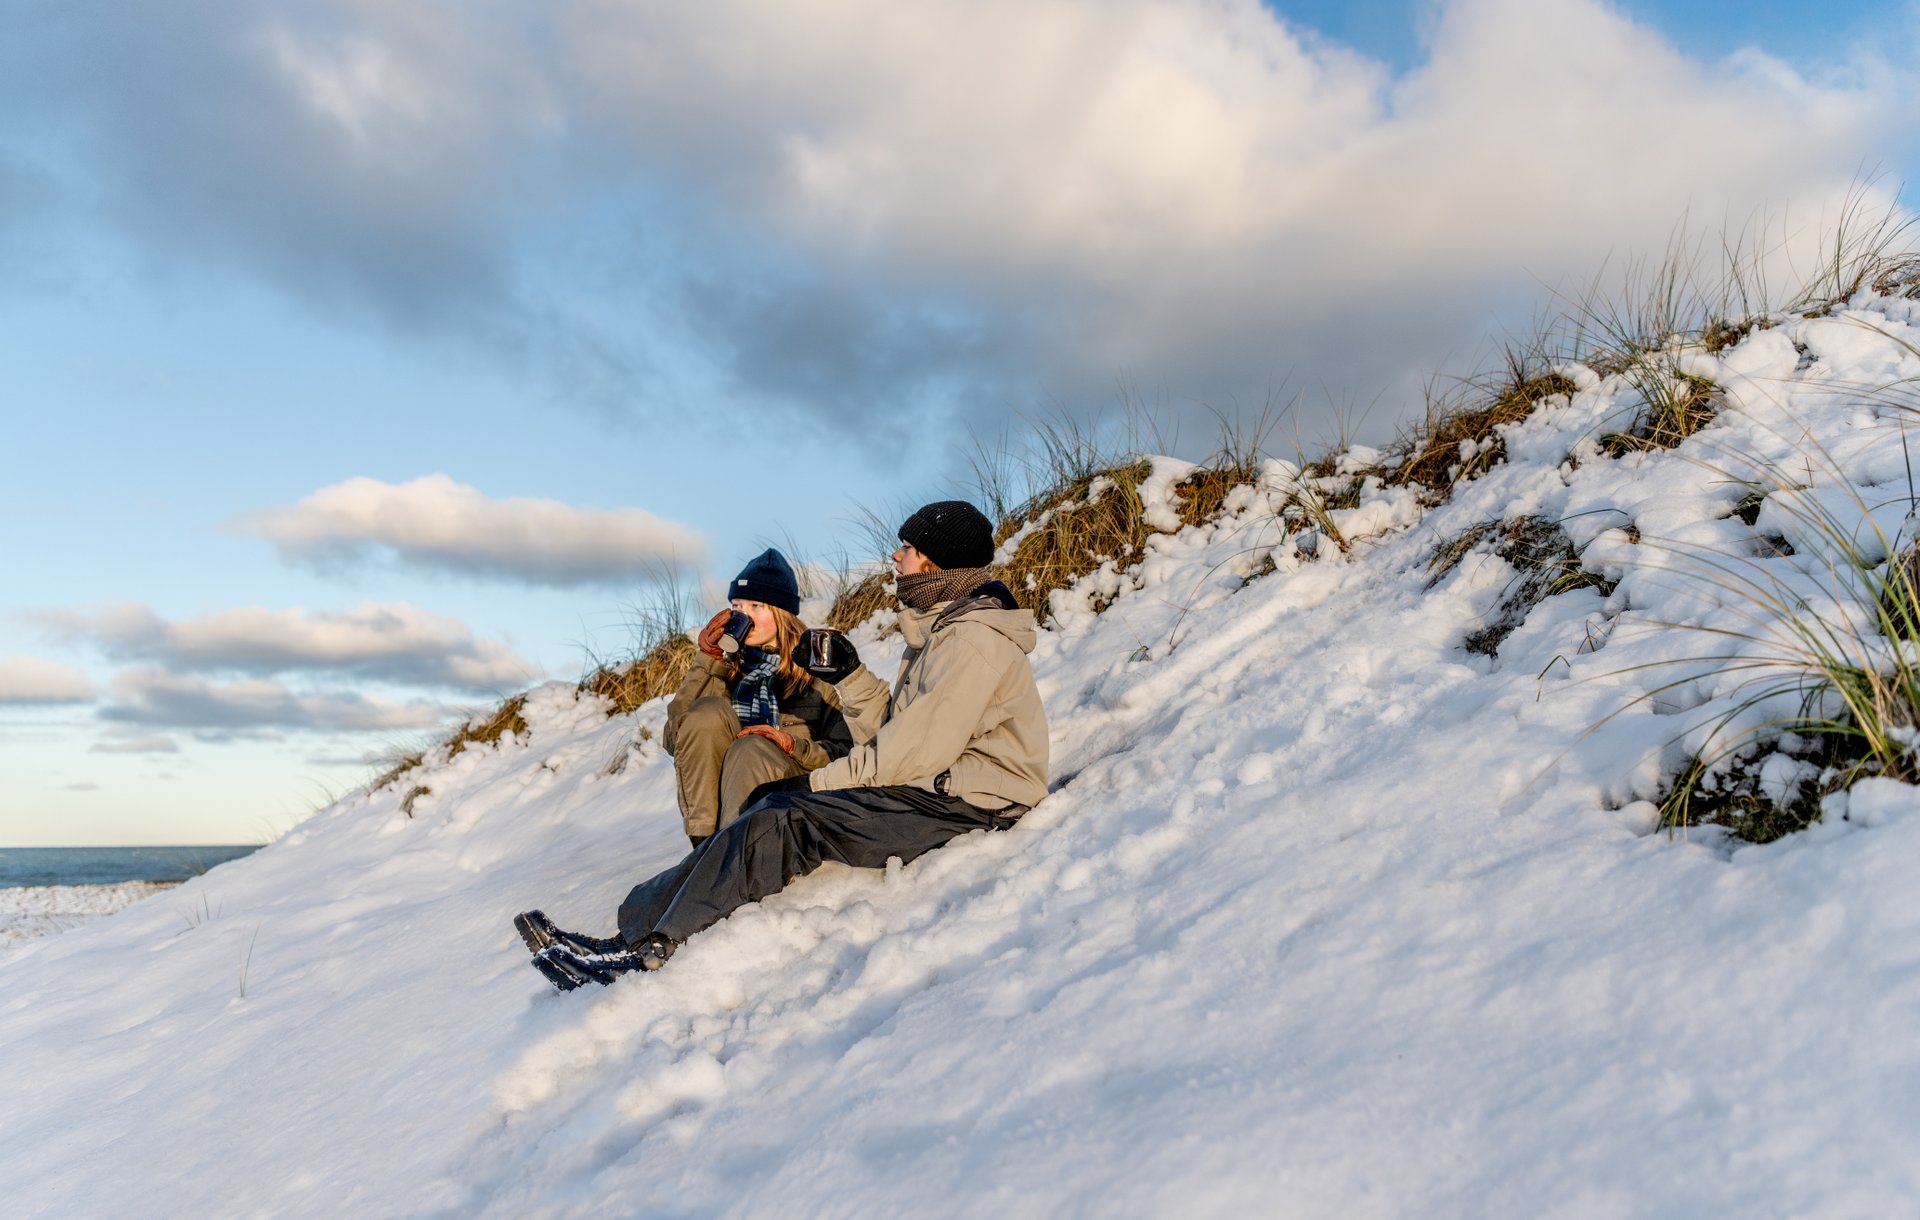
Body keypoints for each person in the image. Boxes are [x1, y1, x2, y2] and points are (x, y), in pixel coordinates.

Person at [514, 501, 1050, 990]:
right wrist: (853, 675)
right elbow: (901, 731)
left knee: (786, 817)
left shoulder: (970, 639)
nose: (896, 554)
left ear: (935, 562)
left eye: (908, 548)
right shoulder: (944, 632)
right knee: (777, 806)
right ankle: (627, 937)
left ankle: (649, 950)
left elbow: (908, 755)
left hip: (971, 804)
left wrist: (808, 780)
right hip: (941, 789)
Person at [663, 548, 853, 847]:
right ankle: (705, 849)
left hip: (793, 797)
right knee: (706, 713)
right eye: (737, 606)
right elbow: (677, 737)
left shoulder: (816, 668)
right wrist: (708, 660)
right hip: (721, 815)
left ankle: (737, 853)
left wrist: (792, 746)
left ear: (782, 613)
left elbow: (846, 750)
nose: (744, 616)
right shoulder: (724, 666)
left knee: (752, 747)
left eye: (756, 606)